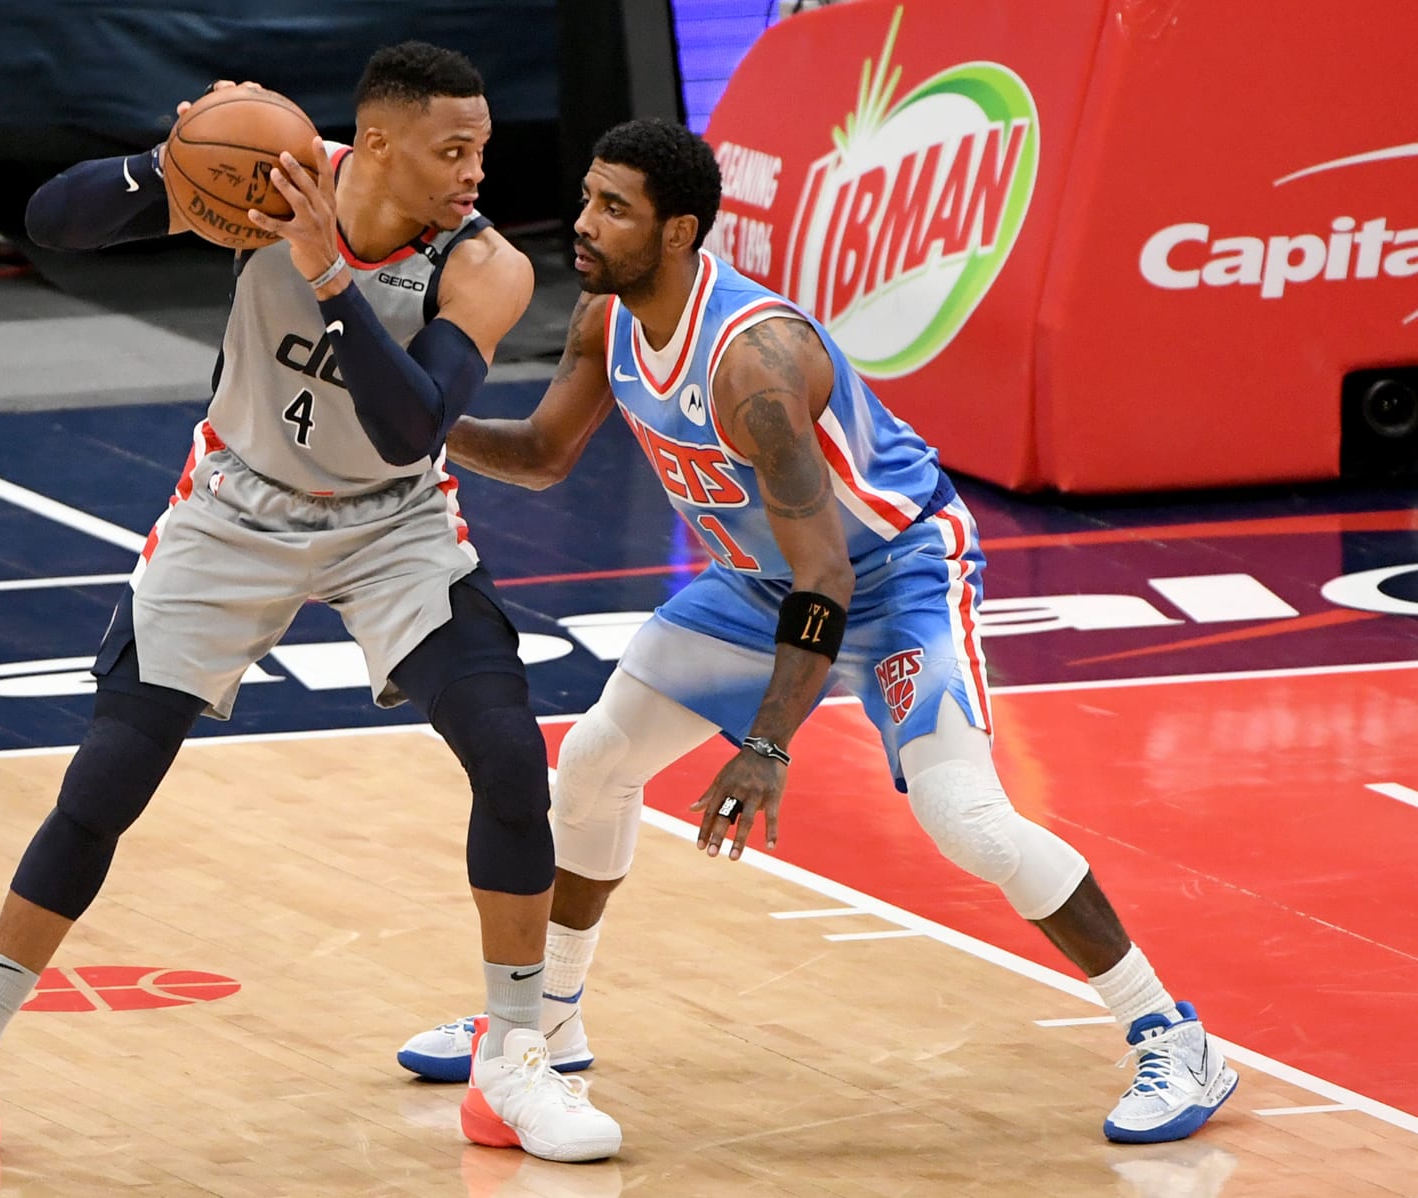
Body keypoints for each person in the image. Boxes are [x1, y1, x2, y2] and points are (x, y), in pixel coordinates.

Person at [396, 118, 1238, 1146]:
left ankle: (1172, 1035)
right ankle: (544, 1028)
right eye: (587, 198)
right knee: (597, 761)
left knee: (965, 818)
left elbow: (828, 572)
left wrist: (767, 744)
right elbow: (540, 453)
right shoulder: (605, 316)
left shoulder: (755, 362)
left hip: (894, 574)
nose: (583, 222)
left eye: (613, 207)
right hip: (760, 585)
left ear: (678, 232)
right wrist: (415, 424)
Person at [0, 43, 621, 1167]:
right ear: (375, 143)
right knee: (105, 783)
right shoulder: (271, 172)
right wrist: (164, 164)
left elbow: (411, 430)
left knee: (511, 755)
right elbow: (50, 221)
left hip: (391, 524)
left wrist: (327, 278)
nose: (476, 171)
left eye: (483, 149)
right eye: (453, 149)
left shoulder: (485, 264)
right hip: (234, 508)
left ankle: (512, 1059)